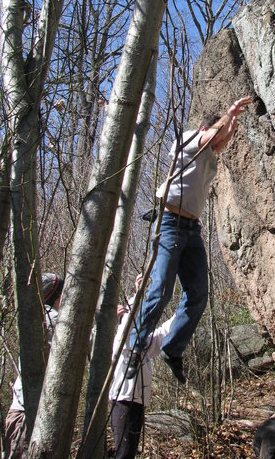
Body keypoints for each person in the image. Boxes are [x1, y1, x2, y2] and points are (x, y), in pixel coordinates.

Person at [128, 96, 252, 382]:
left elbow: (221, 140)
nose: (219, 144)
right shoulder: (187, 141)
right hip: (169, 222)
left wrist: (231, 124)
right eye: (216, 136)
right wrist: (228, 113)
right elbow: (212, 137)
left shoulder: (211, 154)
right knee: (161, 291)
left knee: (198, 295)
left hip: (191, 229)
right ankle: (136, 345)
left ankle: (172, 348)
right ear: (203, 129)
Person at [109, 274, 175, 459]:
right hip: (122, 402)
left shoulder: (143, 344)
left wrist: (185, 310)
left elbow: (162, 333)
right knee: (123, 454)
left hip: (136, 403)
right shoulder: (120, 343)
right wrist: (138, 294)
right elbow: (127, 327)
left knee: (128, 453)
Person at [4, 273, 64, 459]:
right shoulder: (53, 319)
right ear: (55, 295)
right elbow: (87, 341)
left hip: (18, 407)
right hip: (29, 412)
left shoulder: (32, 317)